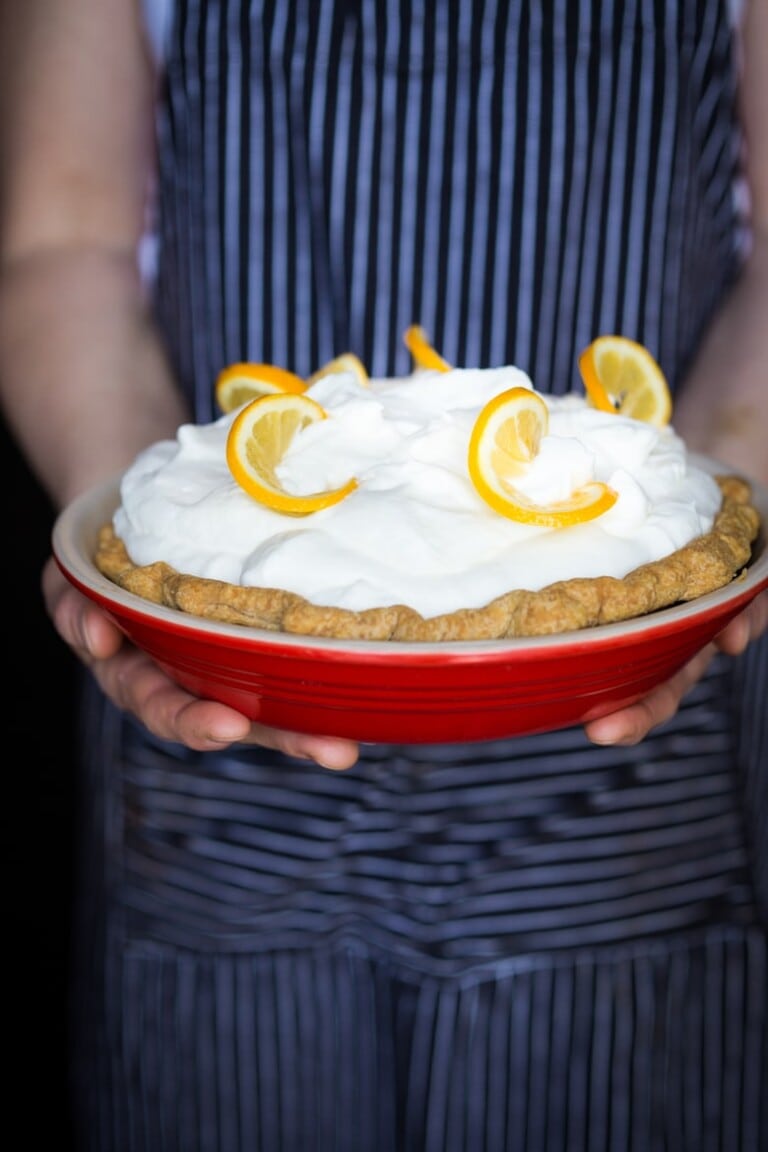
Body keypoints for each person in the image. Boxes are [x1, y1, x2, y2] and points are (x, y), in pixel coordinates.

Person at [1, 0, 766, 1149]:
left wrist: (696, 561)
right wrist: (139, 554)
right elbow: (65, 244)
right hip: (217, 774)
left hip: (631, 789)